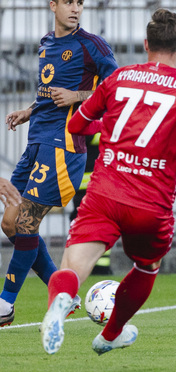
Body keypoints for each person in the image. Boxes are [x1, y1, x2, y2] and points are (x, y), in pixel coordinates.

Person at [40, 8, 176, 355]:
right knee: (147, 266)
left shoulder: (117, 80)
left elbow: (76, 126)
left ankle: (60, 301)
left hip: (105, 191)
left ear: (145, 43)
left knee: (74, 264)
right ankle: (109, 335)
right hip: (151, 202)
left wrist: (108, 129)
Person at [0, 0, 118, 327]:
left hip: (64, 147)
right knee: (10, 222)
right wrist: (29, 111)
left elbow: (116, 89)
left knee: (25, 222)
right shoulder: (46, 44)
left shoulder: (93, 46)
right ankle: (65, 295)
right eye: (68, 2)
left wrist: (78, 96)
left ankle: (5, 303)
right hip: (36, 142)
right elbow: (47, 94)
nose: (76, 8)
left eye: (80, 3)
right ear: (53, 5)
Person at [68, 123, 113, 275]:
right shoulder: (93, 111)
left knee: (103, 222)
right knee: (80, 221)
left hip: (99, 178)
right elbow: (80, 134)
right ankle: (84, 263)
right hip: (85, 180)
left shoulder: (100, 111)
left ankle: (101, 265)